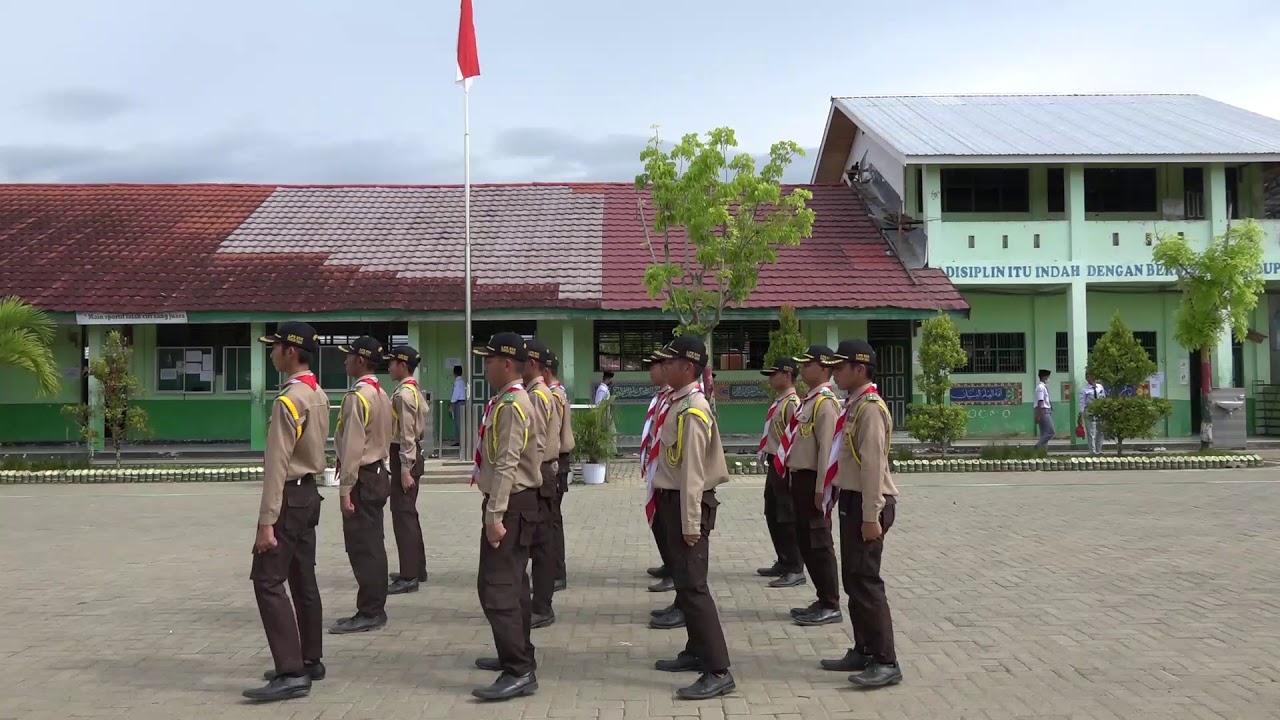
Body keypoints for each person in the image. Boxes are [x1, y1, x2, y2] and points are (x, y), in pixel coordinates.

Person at [243, 322, 330, 702]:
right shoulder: (317, 393)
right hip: (308, 493)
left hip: (289, 497)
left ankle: (291, 671)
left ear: (290, 351)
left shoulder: (288, 401)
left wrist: (266, 522)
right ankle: (310, 659)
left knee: (267, 579)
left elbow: (277, 465)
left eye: (275, 346)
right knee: (302, 578)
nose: (271, 352)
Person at [650, 336, 735, 700]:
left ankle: (718, 670)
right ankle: (696, 650)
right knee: (685, 584)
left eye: (670, 362)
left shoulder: (693, 410)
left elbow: (693, 474)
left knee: (695, 589)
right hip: (673, 500)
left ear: (688, 367)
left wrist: (689, 524)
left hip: (688, 505)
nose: (663, 367)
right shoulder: (678, 403)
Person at [820, 339, 902, 688]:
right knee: (853, 579)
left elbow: (872, 466)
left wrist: (871, 516)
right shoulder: (853, 405)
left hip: (869, 502)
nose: (835, 373)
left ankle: (886, 660)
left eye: (840, 368)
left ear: (860, 369)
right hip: (853, 499)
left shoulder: (869, 409)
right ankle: (864, 648)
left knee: (867, 582)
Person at [470, 332, 543, 701]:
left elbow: (507, 465)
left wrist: (494, 514)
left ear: (507, 363)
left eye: (489, 361)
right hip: (513, 502)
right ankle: (516, 654)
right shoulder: (507, 401)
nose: (485, 367)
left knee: (497, 588)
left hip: (511, 504)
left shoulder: (513, 405)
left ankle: (518, 669)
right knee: (511, 585)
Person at [330, 336, 394, 634]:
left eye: (349, 356)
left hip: (363, 476)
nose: (345, 361)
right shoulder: (380, 393)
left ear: (360, 360)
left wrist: (345, 489)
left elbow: (353, 446)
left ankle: (370, 610)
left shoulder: (358, 396)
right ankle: (372, 607)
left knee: (362, 547)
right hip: (377, 472)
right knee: (373, 543)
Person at [777, 345, 843, 625]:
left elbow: (827, 450)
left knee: (819, 542)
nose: (803, 370)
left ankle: (831, 603)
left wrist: (821, 489)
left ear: (825, 368)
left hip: (813, 481)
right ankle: (822, 598)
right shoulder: (809, 401)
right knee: (805, 541)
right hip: (800, 479)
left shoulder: (825, 403)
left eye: (808, 365)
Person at [641, 352, 684, 632]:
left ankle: (682, 599)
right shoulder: (667, 399)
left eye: (661, 365)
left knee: (680, 545)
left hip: (676, 483)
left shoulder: (686, 404)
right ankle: (674, 578)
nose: (656, 371)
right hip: (662, 477)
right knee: (663, 529)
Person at [756, 358, 804, 588]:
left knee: (786, 515)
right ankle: (783, 560)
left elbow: (795, 439)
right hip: (774, 462)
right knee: (773, 512)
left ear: (787, 375)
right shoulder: (780, 402)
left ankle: (795, 567)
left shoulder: (792, 403)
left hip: (784, 465)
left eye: (773, 374)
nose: (770, 379)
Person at [523, 338, 560, 629]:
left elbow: (534, 442)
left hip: (540, 473)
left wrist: (530, 476)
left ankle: (542, 606)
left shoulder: (536, 396)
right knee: (541, 542)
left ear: (532, 364)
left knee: (541, 544)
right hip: (544, 471)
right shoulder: (540, 392)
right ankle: (540, 603)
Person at [386, 345, 429, 595]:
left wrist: (405, 468)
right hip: (408, 456)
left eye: (392, 363)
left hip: (404, 456)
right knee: (409, 514)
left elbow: (407, 435)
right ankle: (416, 568)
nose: (389, 367)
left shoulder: (404, 394)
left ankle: (409, 575)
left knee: (403, 517)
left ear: (402, 365)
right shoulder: (411, 389)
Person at [543, 350, 572, 591]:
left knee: (551, 521)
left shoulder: (552, 395)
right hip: (559, 461)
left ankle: (555, 573)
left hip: (555, 461)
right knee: (552, 519)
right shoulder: (557, 392)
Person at [1078, 373, 1105, 455]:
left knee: (1101, 430)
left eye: (1092, 376)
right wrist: (1081, 414)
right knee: (1091, 432)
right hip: (1089, 410)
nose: (1091, 379)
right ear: (1087, 378)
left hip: (1099, 410)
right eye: (1089, 377)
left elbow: (1103, 397)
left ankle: (1098, 449)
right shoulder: (1084, 390)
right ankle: (1092, 451)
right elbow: (1082, 402)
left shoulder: (1100, 387)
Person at [1034, 368, 1054, 449]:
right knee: (1050, 432)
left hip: (1045, 410)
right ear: (1044, 377)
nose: (1049, 379)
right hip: (1043, 411)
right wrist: (1039, 414)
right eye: (1048, 377)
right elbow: (1040, 401)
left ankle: (1042, 452)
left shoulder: (1043, 387)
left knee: (1044, 433)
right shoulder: (1041, 388)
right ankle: (1037, 446)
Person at [450, 365, 466, 447]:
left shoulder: (457, 382)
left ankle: (459, 440)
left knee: (458, 422)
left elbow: (455, 394)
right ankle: (461, 440)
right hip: (463, 402)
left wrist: (451, 404)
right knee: (461, 422)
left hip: (458, 402)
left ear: (454, 373)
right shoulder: (462, 381)